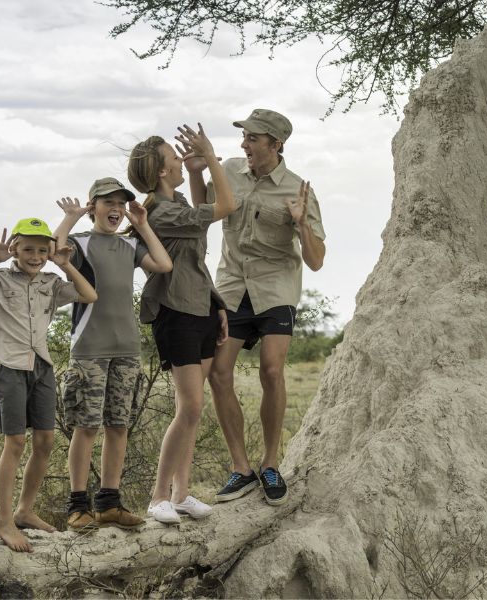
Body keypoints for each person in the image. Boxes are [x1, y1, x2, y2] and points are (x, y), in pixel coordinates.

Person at [183, 108, 326, 506]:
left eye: (252, 138)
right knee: (219, 373)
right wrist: (197, 172)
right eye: (243, 137)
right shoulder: (228, 170)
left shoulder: (298, 189)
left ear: (275, 145)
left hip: (276, 285)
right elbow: (203, 214)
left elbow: (316, 260)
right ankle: (241, 468)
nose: (243, 145)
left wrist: (300, 224)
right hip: (231, 286)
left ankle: (269, 463)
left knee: (272, 369)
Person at [0, 218, 97, 552]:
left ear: (48, 252)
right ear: (15, 250)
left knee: (46, 441)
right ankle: (4, 521)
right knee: (16, 442)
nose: (34, 256)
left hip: (42, 366)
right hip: (10, 367)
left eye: (41, 250)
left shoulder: (50, 282)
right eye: (27, 249)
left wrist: (64, 264)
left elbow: (88, 294)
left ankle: (24, 510)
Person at [127, 124, 235, 524]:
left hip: (201, 307)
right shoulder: (161, 211)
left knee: (191, 408)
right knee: (190, 407)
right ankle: (158, 498)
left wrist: (217, 304)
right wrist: (208, 158)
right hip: (175, 313)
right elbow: (225, 208)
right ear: (160, 171)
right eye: (174, 157)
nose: (178, 160)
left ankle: (182, 493)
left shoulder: (179, 202)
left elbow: (197, 252)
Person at [52, 177, 172, 531]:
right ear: (94, 207)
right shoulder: (81, 242)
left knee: (118, 425)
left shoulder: (129, 245)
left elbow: (163, 265)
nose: (116, 209)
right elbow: (55, 251)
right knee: (86, 427)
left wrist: (143, 225)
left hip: (127, 349)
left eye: (121, 203)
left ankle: (109, 502)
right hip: (89, 349)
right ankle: (77, 506)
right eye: (108, 203)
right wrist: (71, 218)